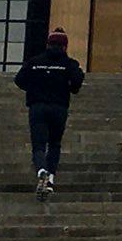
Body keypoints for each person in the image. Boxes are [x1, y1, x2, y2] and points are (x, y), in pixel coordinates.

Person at [14, 29, 85, 196]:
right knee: (54, 144)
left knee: (38, 146)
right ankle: (51, 178)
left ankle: (41, 171)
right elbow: (76, 85)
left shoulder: (34, 62)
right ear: (65, 47)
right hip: (59, 107)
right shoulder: (70, 64)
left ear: (47, 44)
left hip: (37, 107)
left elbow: (19, 80)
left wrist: (34, 89)